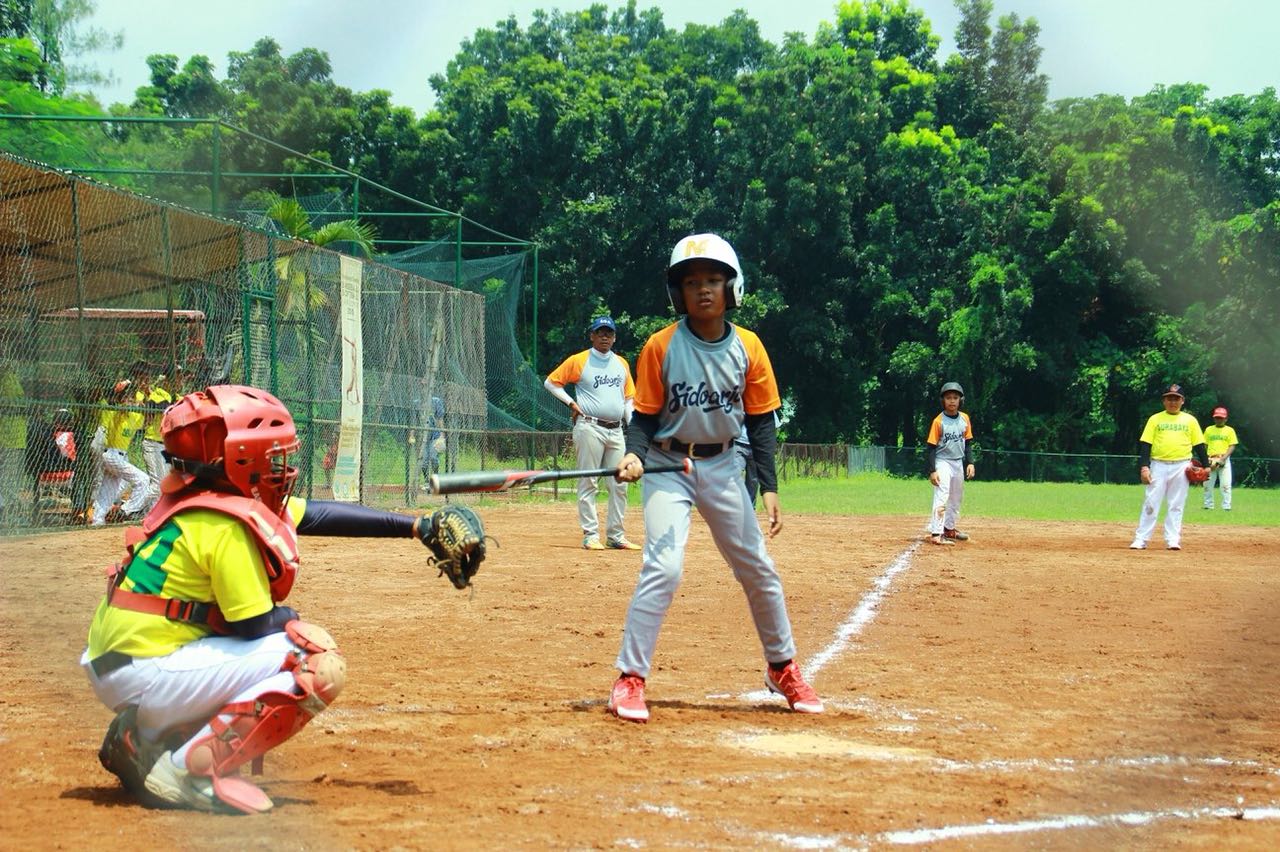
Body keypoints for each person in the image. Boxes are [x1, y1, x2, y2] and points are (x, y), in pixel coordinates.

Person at [83, 383, 482, 814]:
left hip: (119, 661)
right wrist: (291, 617)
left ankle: (142, 739)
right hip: (147, 671)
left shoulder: (198, 498)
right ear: (238, 458)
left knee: (268, 645)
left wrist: (417, 527)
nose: (282, 466)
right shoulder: (224, 525)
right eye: (271, 456)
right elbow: (253, 623)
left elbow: (318, 515)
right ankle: (188, 769)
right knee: (313, 659)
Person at [609, 233, 823, 723]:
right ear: (677, 293)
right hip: (667, 466)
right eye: (691, 282)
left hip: (725, 467)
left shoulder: (748, 347)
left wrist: (768, 485)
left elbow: (760, 421)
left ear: (732, 287)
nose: (702, 290)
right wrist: (633, 455)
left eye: (712, 280)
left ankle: (782, 667)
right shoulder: (661, 346)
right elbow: (643, 416)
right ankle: (629, 678)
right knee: (664, 568)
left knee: (758, 568)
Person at [544, 315, 641, 550]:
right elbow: (551, 382)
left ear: (615, 337)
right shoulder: (580, 360)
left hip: (616, 429)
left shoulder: (621, 363)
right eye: (600, 332)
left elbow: (628, 399)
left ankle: (616, 535)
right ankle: (591, 534)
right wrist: (571, 403)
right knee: (589, 481)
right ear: (592, 336)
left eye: (609, 333)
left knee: (620, 483)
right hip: (589, 427)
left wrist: (635, 430)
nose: (605, 336)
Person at [1130, 383, 1209, 551]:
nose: (1172, 401)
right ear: (1164, 401)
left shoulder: (1190, 420)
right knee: (1151, 502)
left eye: (1176, 398)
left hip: (1181, 466)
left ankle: (1173, 539)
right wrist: (1144, 467)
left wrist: (1206, 466)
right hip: (1158, 464)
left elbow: (1200, 445)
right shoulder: (1155, 419)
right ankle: (1141, 539)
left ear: (1182, 401)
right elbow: (1145, 444)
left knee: (1176, 504)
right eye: (1169, 398)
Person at [91, 379, 150, 526]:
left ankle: (97, 521)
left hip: (120, 458)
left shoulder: (134, 416)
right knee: (143, 480)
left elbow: (148, 419)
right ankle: (125, 510)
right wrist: (119, 395)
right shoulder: (114, 411)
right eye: (127, 398)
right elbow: (110, 401)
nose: (130, 401)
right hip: (110, 454)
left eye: (131, 398)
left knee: (107, 492)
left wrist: (143, 403)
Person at [925, 381, 975, 545]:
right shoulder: (938, 421)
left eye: (955, 397)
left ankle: (949, 529)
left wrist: (970, 463)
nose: (952, 401)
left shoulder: (965, 419)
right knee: (942, 493)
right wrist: (932, 470)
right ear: (943, 401)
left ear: (961, 400)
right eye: (948, 398)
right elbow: (931, 447)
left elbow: (967, 443)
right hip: (942, 461)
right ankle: (936, 532)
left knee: (956, 497)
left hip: (957, 462)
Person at [133, 362, 173, 513]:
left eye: (147, 377)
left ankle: (150, 513)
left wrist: (149, 399)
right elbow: (148, 414)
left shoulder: (161, 393)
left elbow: (164, 406)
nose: (145, 380)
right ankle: (127, 509)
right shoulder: (136, 394)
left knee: (163, 483)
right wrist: (149, 400)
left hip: (163, 444)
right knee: (156, 483)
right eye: (141, 377)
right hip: (150, 442)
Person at [1202, 406, 1239, 511]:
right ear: (1214, 418)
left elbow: (1232, 445)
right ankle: (1208, 505)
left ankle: (1226, 506)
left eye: (1221, 418)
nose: (1219, 419)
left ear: (1226, 419)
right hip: (1210, 459)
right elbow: (1204, 445)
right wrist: (1205, 459)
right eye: (1217, 417)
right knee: (1207, 484)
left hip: (1224, 460)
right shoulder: (1209, 429)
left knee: (1225, 485)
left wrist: (1223, 458)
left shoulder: (1229, 430)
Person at [419, 395, 447, 478]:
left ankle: (435, 478)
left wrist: (442, 435)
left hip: (435, 436)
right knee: (424, 462)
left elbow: (440, 419)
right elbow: (415, 420)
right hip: (423, 436)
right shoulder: (417, 403)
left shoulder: (436, 401)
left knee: (433, 457)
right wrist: (412, 434)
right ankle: (427, 481)